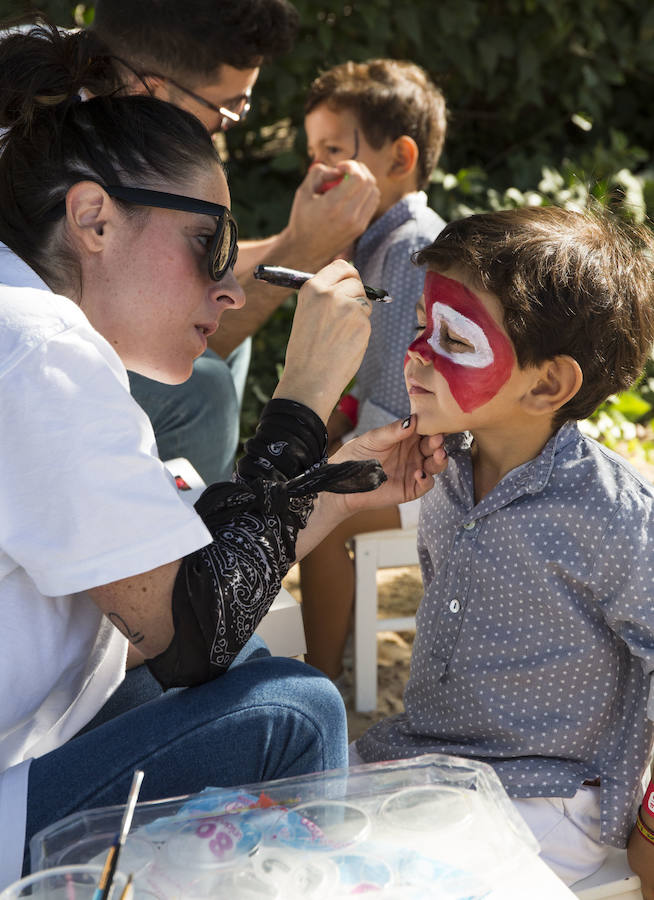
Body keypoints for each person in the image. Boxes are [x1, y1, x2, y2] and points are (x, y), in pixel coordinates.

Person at [0, 25, 445, 888]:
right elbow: (188, 637)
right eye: (210, 244)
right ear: (93, 217)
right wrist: (301, 401)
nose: (232, 287)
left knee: (248, 661)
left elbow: (174, 579)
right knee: (295, 706)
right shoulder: (38, 350)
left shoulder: (25, 323)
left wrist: (335, 480)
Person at [350, 205, 654, 887]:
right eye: (423, 326)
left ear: (547, 384)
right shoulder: (439, 465)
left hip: (544, 798)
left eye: (454, 340)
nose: (416, 353)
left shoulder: (613, 516)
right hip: (421, 767)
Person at [86, 0, 381, 482]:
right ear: (148, 85)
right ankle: (202, 551)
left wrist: (299, 236)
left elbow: (182, 262)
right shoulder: (46, 130)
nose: (228, 124)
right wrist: (303, 250)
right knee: (202, 388)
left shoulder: (106, 84)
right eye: (227, 107)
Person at [298, 58, 447, 680]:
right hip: (397, 438)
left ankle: (319, 679)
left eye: (334, 148)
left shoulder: (414, 248)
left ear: (399, 157)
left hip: (433, 459)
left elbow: (414, 384)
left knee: (322, 513)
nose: (318, 168)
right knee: (307, 482)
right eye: (313, 151)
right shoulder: (378, 240)